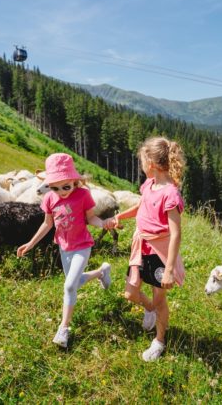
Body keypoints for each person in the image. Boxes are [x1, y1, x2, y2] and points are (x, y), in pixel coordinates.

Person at [17, 153, 112, 348]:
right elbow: (47, 224)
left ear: (75, 181)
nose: (61, 191)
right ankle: (102, 272)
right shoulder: (50, 199)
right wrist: (30, 244)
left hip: (82, 246)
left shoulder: (83, 195)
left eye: (66, 187)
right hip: (64, 246)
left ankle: (64, 329)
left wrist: (103, 224)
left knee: (69, 287)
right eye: (55, 187)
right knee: (74, 283)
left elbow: (91, 218)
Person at [104, 136, 186, 361]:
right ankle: (149, 308)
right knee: (130, 293)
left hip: (160, 252)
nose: (141, 164)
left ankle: (159, 340)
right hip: (141, 247)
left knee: (160, 300)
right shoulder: (149, 185)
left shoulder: (170, 193)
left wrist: (169, 269)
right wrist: (120, 216)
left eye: (141, 160)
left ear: (150, 162)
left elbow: (176, 232)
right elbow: (142, 206)